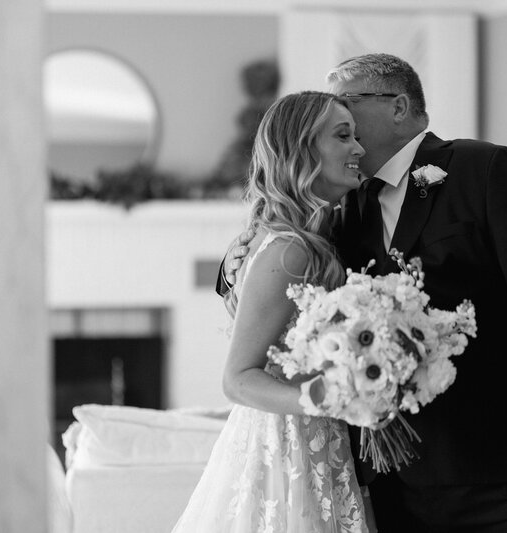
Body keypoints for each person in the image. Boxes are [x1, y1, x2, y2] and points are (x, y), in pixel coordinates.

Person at [220, 53, 507, 532]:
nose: (341, 120)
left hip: (499, 467)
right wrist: (237, 256)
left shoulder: (484, 169)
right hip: (392, 478)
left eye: (345, 103)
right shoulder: (340, 203)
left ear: (398, 106)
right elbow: (274, 279)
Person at [172, 91, 372, 532]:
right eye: (344, 136)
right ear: (302, 149)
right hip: (288, 450)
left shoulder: (308, 239)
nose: (359, 149)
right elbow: (238, 378)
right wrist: (325, 398)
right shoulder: (290, 251)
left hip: (315, 441)